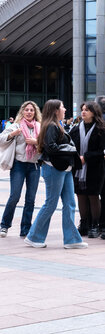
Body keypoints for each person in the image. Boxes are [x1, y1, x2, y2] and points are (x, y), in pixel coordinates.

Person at [25, 100, 88, 249]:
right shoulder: (51, 126)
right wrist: (71, 148)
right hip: (54, 168)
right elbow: (51, 148)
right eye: (62, 107)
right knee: (51, 203)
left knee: (70, 203)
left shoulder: (56, 125)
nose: (65, 109)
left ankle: (71, 239)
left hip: (63, 169)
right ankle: (34, 236)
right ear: (55, 110)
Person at [0, 101, 41, 238]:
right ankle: (4, 225)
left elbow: (46, 144)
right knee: (14, 196)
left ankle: (25, 229)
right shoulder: (16, 126)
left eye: (31, 110)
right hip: (19, 165)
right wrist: (12, 134)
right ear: (22, 112)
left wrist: (36, 142)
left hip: (34, 166)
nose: (29, 112)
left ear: (35, 113)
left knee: (31, 199)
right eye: (26, 110)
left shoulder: (40, 127)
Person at [70, 101, 105, 238]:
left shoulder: (101, 129)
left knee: (93, 196)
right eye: (82, 109)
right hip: (78, 168)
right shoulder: (75, 129)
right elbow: (71, 147)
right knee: (81, 196)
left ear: (94, 112)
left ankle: (95, 225)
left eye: (87, 110)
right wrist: (77, 157)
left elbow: (101, 151)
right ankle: (84, 224)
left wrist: (86, 157)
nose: (83, 112)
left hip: (95, 168)